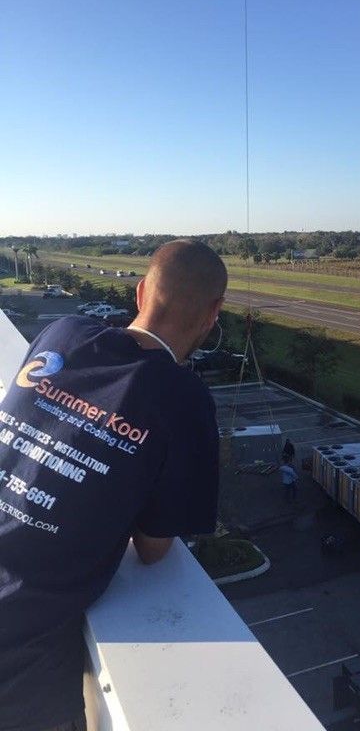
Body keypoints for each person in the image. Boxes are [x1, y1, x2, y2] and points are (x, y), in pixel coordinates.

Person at [0, 239, 227, 731]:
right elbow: (152, 548)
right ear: (213, 315)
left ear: (141, 291)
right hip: (19, 646)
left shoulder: (62, 332)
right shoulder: (185, 401)